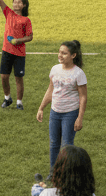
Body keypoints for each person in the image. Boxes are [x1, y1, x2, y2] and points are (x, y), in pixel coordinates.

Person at [36, 41, 87, 169]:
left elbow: (83, 96)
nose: (60, 55)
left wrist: (79, 118)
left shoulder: (78, 73)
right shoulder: (55, 69)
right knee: (54, 144)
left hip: (70, 113)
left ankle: (66, 174)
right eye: (60, 52)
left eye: (64, 53)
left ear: (73, 55)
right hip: (55, 112)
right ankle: (53, 172)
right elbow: (50, 89)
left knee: (67, 145)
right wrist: (41, 108)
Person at [0, 0, 33, 109]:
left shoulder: (26, 20)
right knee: (4, 76)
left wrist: (18, 40)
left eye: (19, 2)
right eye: (14, 2)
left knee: (18, 78)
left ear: (24, 5)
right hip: (6, 51)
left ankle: (19, 102)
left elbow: (30, 37)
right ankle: (7, 98)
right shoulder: (8, 13)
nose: (16, 4)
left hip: (19, 54)